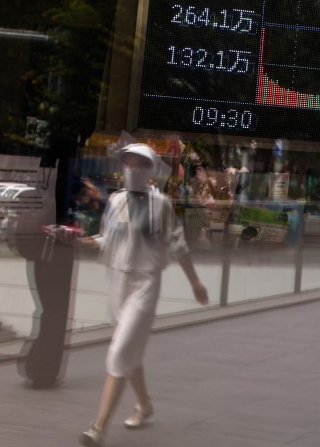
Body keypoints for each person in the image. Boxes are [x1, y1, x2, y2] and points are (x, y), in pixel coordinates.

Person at [76, 143, 209, 447]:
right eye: (128, 163)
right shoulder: (116, 200)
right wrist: (84, 241)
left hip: (145, 283)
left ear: (150, 169)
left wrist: (195, 283)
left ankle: (98, 428)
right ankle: (145, 404)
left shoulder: (160, 204)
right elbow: (109, 238)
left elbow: (178, 245)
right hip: (118, 282)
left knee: (121, 350)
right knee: (130, 350)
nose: (132, 169)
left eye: (139, 164)